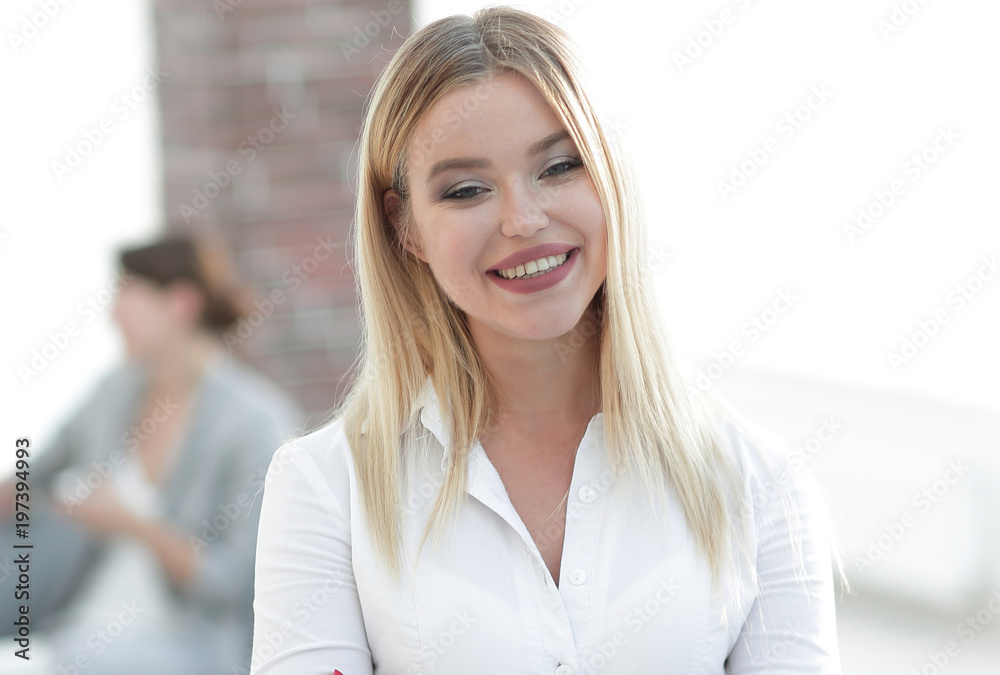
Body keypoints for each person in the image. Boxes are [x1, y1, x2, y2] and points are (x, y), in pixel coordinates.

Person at [250, 6, 842, 674]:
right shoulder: (327, 489)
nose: (524, 219)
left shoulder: (758, 481)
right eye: (467, 189)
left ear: (610, 176)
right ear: (405, 227)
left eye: (559, 167)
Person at [0, 234, 301, 674]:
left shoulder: (254, 423)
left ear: (179, 303)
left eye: (126, 294)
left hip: (187, 648)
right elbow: (32, 478)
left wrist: (129, 522)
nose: (113, 314)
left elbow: (232, 583)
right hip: (73, 633)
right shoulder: (113, 392)